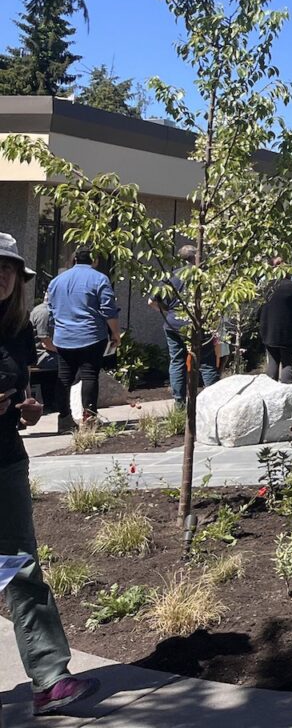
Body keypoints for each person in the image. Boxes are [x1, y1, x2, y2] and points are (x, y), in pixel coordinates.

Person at [0, 231, 101, 716]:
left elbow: (16, 397)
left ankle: (49, 680)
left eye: (10, 268)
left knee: (20, 566)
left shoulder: (18, 329)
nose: (2, 275)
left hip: (5, 459)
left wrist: (26, 409)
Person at [44, 247, 120, 431]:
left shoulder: (57, 281)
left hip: (63, 337)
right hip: (91, 335)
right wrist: (116, 334)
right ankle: (89, 420)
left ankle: (64, 418)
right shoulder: (100, 279)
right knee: (89, 376)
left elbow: (51, 309)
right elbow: (108, 310)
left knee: (64, 377)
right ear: (94, 261)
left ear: (74, 259)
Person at [148, 244, 219, 410]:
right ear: (195, 257)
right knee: (206, 362)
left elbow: (151, 301)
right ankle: (214, 402)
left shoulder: (171, 276)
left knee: (177, 361)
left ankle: (179, 403)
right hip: (198, 324)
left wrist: (168, 310)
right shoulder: (204, 277)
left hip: (173, 324)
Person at [257, 258, 292, 384]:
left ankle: (269, 395)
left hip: (269, 331)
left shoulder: (267, 287)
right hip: (289, 332)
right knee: (288, 364)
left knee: (272, 363)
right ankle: (287, 396)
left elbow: (257, 309)